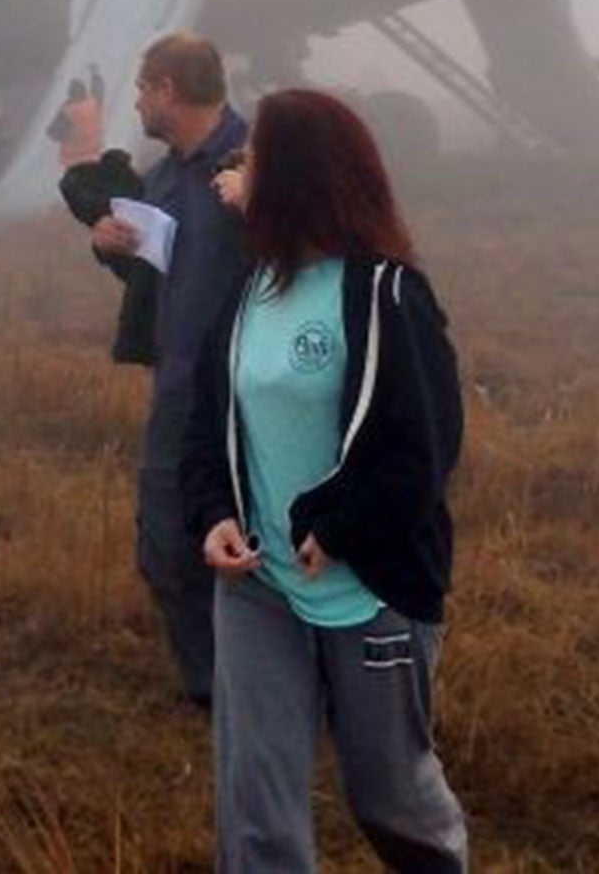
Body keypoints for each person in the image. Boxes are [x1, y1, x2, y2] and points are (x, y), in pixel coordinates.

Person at [184, 89, 467, 872]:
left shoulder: (387, 295)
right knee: (258, 814)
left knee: (391, 802)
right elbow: (209, 430)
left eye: (258, 156)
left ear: (297, 174)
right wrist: (211, 512)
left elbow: (425, 452)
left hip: (368, 588)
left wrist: (338, 530)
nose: (241, 168)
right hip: (257, 588)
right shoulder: (248, 295)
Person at [88, 33, 249, 706]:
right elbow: (162, 273)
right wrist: (111, 247)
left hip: (252, 396)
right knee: (165, 548)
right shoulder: (164, 175)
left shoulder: (261, 160)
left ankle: (268, 687)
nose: (136, 101)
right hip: (177, 391)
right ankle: (213, 690)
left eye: (142, 88)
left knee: (254, 550)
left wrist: (263, 194)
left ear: (168, 91)